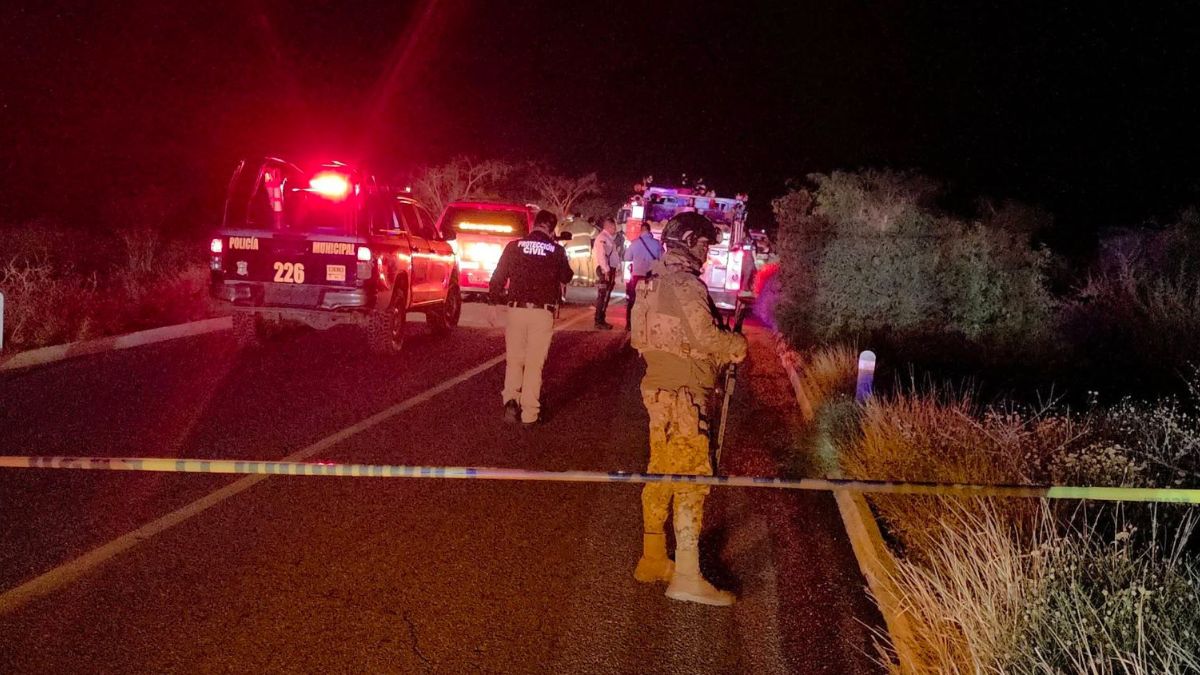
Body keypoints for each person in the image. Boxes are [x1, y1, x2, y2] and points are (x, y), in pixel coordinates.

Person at [629, 212, 748, 606]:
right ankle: (686, 574)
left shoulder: (649, 283)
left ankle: (652, 557)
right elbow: (707, 337)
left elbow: (638, 339)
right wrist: (736, 346)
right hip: (686, 394)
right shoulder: (686, 285)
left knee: (660, 469)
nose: (707, 253)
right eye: (705, 245)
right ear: (691, 241)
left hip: (658, 390)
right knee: (692, 478)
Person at [488, 210, 575, 427]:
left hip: (516, 310)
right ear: (551, 228)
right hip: (542, 313)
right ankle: (530, 414)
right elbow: (567, 276)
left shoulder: (514, 247)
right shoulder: (556, 250)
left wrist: (495, 303)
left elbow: (497, 278)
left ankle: (510, 401)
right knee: (534, 364)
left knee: (515, 360)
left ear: (534, 225)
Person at [622, 222, 663, 331]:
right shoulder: (657, 244)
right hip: (652, 277)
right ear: (650, 231)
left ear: (641, 231)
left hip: (637, 277)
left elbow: (626, 257)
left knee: (633, 300)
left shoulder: (634, 243)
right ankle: (648, 324)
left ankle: (629, 324)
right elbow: (662, 259)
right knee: (651, 301)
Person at [591, 216, 621, 329]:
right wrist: (606, 270)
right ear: (608, 226)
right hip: (604, 270)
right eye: (613, 227)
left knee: (606, 296)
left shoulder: (608, 238)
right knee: (603, 295)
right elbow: (601, 255)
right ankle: (599, 321)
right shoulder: (602, 238)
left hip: (608, 269)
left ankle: (601, 319)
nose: (615, 229)